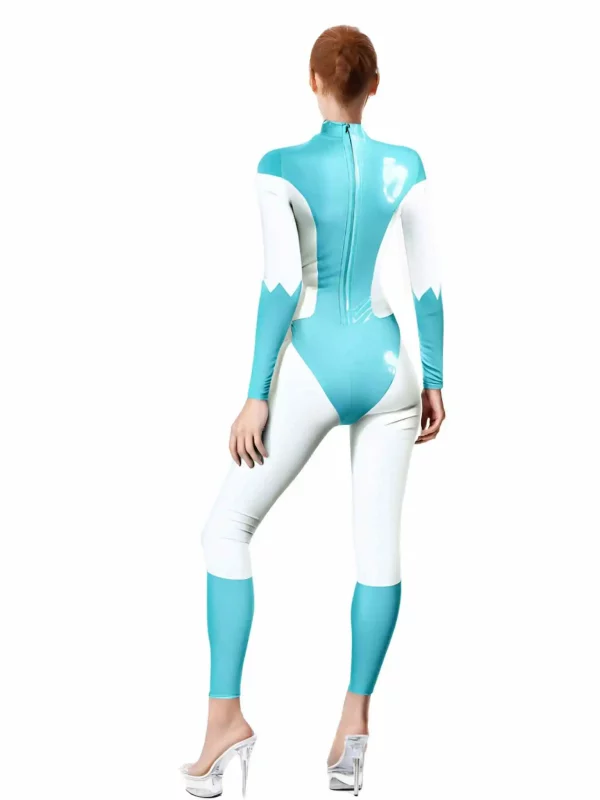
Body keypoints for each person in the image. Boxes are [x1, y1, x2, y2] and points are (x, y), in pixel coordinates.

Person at [180, 24, 445, 798]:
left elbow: (280, 285)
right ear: (374, 86)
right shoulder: (408, 166)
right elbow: (427, 285)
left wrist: (256, 393)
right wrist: (435, 378)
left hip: (316, 367)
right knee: (378, 553)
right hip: (392, 368)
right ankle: (353, 726)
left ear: (313, 80)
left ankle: (225, 724)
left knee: (225, 530)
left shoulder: (280, 167)